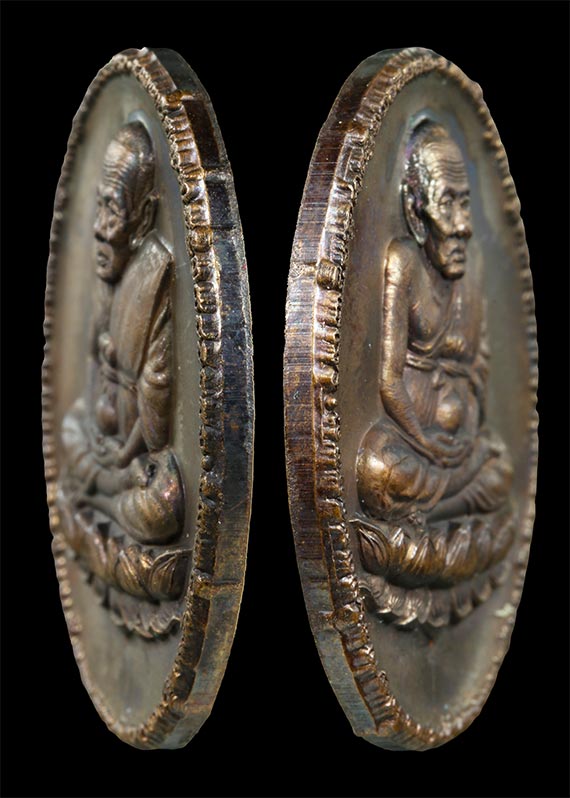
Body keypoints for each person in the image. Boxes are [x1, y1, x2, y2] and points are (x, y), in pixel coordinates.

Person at [356, 121, 512, 525]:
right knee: (375, 470)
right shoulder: (404, 263)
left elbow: (480, 367)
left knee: (501, 469)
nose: (463, 226)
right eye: (447, 203)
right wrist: (425, 442)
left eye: (466, 204)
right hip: (412, 438)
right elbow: (389, 381)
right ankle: (445, 508)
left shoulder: (474, 268)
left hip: (459, 444)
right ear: (416, 212)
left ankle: (434, 513)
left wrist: (467, 436)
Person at [58, 121, 184, 545]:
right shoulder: (104, 275)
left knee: (163, 506)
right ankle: (105, 493)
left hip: (132, 455)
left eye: (112, 210)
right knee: (68, 429)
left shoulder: (156, 281)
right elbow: (92, 363)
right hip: (104, 441)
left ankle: (102, 502)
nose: (98, 226)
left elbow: (156, 406)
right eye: (99, 206)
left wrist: (125, 454)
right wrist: (97, 435)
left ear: (144, 217)